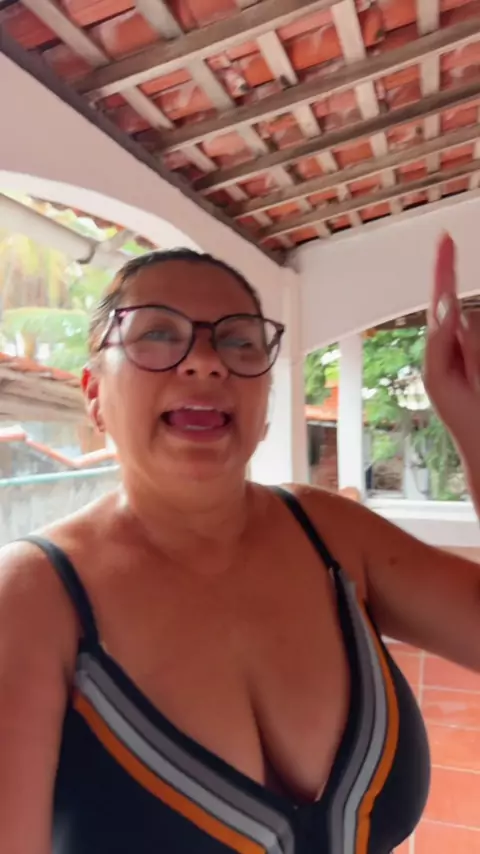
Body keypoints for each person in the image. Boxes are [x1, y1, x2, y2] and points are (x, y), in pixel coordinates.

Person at [0, 233, 479, 854]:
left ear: (265, 399)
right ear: (94, 394)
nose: (206, 362)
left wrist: (472, 422)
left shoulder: (332, 533)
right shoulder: (32, 600)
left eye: (239, 341)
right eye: (157, 334)